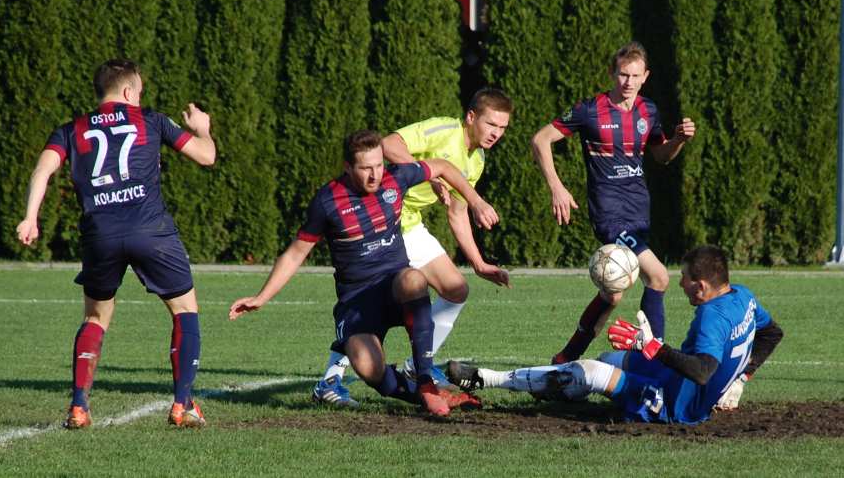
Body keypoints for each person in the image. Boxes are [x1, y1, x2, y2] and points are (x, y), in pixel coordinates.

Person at [228, 130, 500, 416]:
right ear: (348, 167)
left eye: (379, 165)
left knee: (413, 278)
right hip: (357, 299)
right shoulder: (327, 201)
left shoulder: (397, 177)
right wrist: (262, 297)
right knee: (367, 367)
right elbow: (296, 253)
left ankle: (425, 380)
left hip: (395, 284)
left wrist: (476, 201)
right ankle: (426, 396)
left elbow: (442, 167)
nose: (375, 175)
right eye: (366, 168)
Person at [16, 59, 216, 429]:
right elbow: (207, 156)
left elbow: (42, 169)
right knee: (184, 309)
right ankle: (182, 405)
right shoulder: (152, 120)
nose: (140, 98)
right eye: (139, 92)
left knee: (95, 316)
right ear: (128, 92)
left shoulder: (71, 130)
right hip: (150, 230)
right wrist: (202, 130)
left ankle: (78, 406)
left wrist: (31, 217)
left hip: (100, 234)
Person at [312, 89, 513, 407]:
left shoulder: (477, 160)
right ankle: (331, 379)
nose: (496, 133)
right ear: (471, 117)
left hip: (410, 224)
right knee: (370, 301)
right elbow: (390, 144)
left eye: (503, 128)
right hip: (380, 223)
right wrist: (427, 172)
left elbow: (457, 212)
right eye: (492, 124)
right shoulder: (444, 130)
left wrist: (479, 263)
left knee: (456, 289)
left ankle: (418, 364)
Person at [446, 245, 784, 425]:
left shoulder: (712, 315)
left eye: (683, 278)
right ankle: (558, 387)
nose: (679, 283)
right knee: (607, 361)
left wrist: (653, 346)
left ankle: (483, 379)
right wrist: (742, 378)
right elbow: (772, 333)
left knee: (589, 372)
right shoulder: (742, 296)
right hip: (673, 377)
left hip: (675, 406)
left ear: (702, 285)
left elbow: (702, 371)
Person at [531, 41, 695, 364]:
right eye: (622, 75)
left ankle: (566, 357)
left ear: (645, 76)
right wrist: (557, 187)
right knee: (659, 277)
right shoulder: (590, 110)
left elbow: (660, 155)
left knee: (613, 292)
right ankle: (655, 357)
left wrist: (678, 140)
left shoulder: (648, 111)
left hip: (639, 213)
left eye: (635, 75)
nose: (628, 82)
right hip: (610, 214)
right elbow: (541, 139)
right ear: (612, 73)